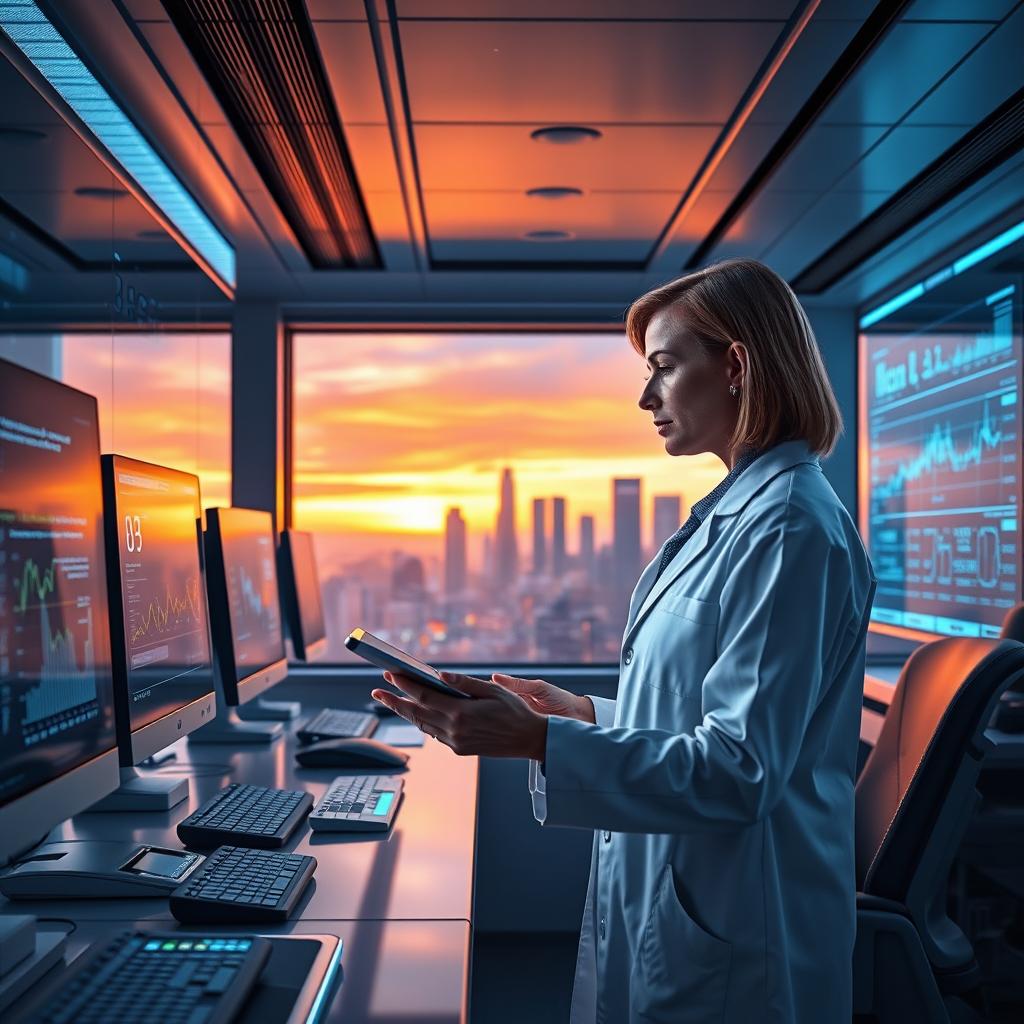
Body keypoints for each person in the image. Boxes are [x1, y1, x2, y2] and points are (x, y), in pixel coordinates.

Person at [371, 258, 877, 1023]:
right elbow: (696, 714)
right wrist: (578, 713)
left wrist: (541, 741)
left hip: (744, 942)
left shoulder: (790, 530)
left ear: (736, 364)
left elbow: (740, 770)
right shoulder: (740, 513)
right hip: (688, 910)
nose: (646, 397)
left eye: (665, 369)